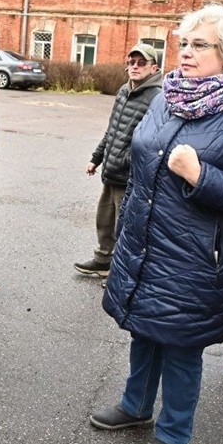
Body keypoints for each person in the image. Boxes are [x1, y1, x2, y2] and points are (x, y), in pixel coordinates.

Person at [89, 4, 223, 444]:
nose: (187, 54)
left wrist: (201, 176)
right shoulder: (166, 98)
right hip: (146, 243)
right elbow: (142, 164)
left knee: (180, 346)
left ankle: (174, 433)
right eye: (183, 44)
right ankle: (135, 407)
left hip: (199, 257)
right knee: (144, 330)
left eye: (200, 45)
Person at [74, 42, 163, 278]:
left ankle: (122, 272)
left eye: (141, 63)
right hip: (112, 170)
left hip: (130, 175)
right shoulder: (124, 91)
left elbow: (152, 142)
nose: (135, 66)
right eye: (131, 62)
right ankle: (103, 260)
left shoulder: (157, 97)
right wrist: (97, 157)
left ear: (154, 68)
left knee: (126, 227)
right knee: (104, 219)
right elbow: (112, 129)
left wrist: (124, 161)